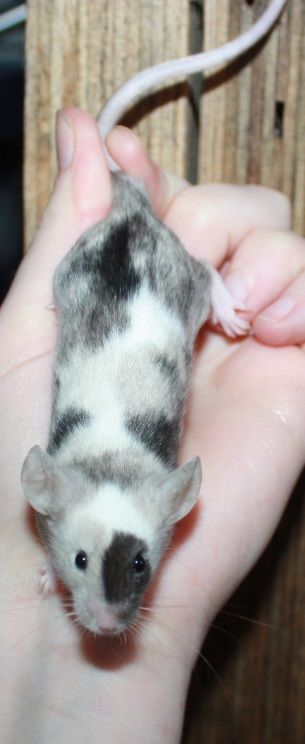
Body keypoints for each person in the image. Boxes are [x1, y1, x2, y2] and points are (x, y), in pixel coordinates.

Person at [1, 108, 305, 744]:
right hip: (140, 305)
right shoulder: (68, 497)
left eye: (137, 571)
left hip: (141, 297)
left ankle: (209, 280)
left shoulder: (80, 497)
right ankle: (207, 280)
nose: (110, 618)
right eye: (79, 561)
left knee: (163, 287)